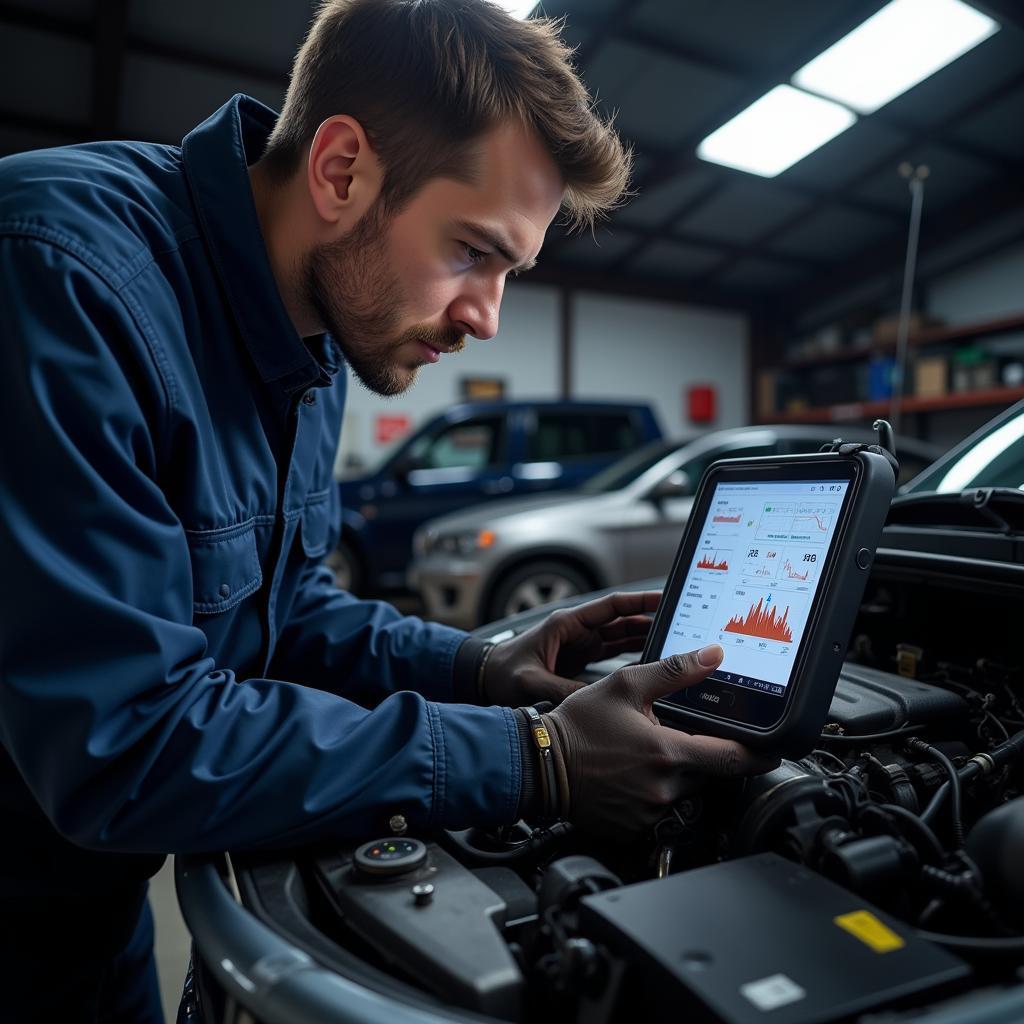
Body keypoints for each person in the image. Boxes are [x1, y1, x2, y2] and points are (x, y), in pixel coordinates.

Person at [0, 1, 774, 1019]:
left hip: (84, 913)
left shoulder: (315, 340)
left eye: (509, 272)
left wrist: (478, 666)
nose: (484, 317)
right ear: (340, 171)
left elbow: (285, 619)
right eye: (471, 251)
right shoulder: (59, 272)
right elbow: (122, 740)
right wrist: (533, 760)